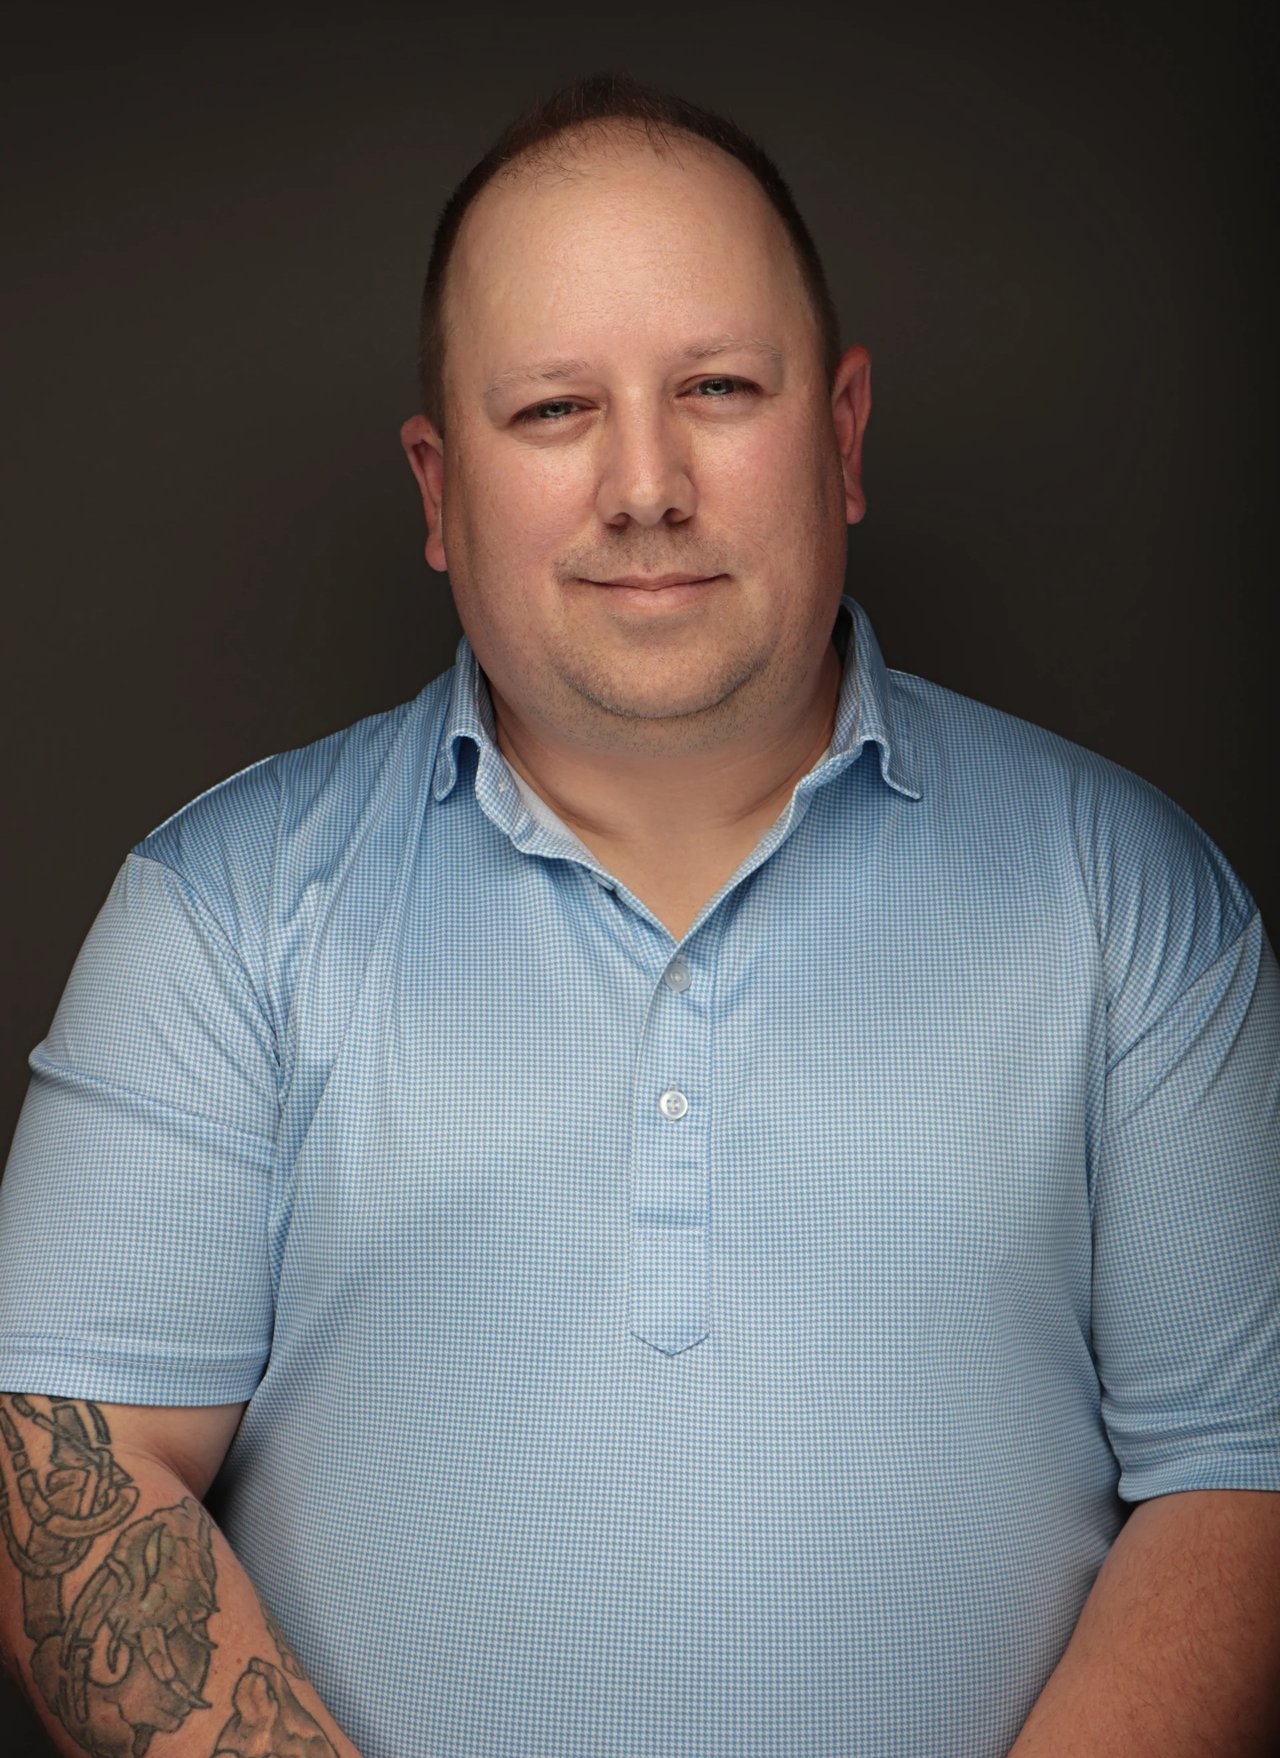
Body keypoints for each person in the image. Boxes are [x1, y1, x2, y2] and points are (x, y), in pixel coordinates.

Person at [1, 70, 1278, 1758]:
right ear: (438, 489)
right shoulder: (220, 918)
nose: (646, 484)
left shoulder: (1136, 898)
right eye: (554, 410)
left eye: (718, 388)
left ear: (843, 434)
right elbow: (68, 1465)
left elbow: (1242, 1473)